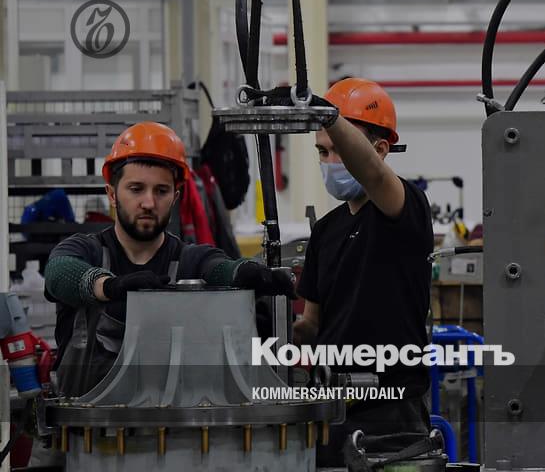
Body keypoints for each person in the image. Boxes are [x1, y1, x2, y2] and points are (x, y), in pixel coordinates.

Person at [44, 121, 295, 397]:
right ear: (112, 194)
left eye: (161, 191)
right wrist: (109, 286)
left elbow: (217, 267)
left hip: (169, 421)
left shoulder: (189, 259)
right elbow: (58, 273)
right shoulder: (85, 250)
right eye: (136, 189)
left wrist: (244, 272)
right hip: (84, 421)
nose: (149, 203)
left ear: (175, 197)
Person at [291, 78, 433, 465]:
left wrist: (328, 115)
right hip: (332, 407)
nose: (329, 162)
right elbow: (312, 325)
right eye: (322, 152)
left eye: (338, 150)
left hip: (391, 412)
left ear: (380, 149)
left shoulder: (404, 208)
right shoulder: (326, 231)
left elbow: (372, 175)